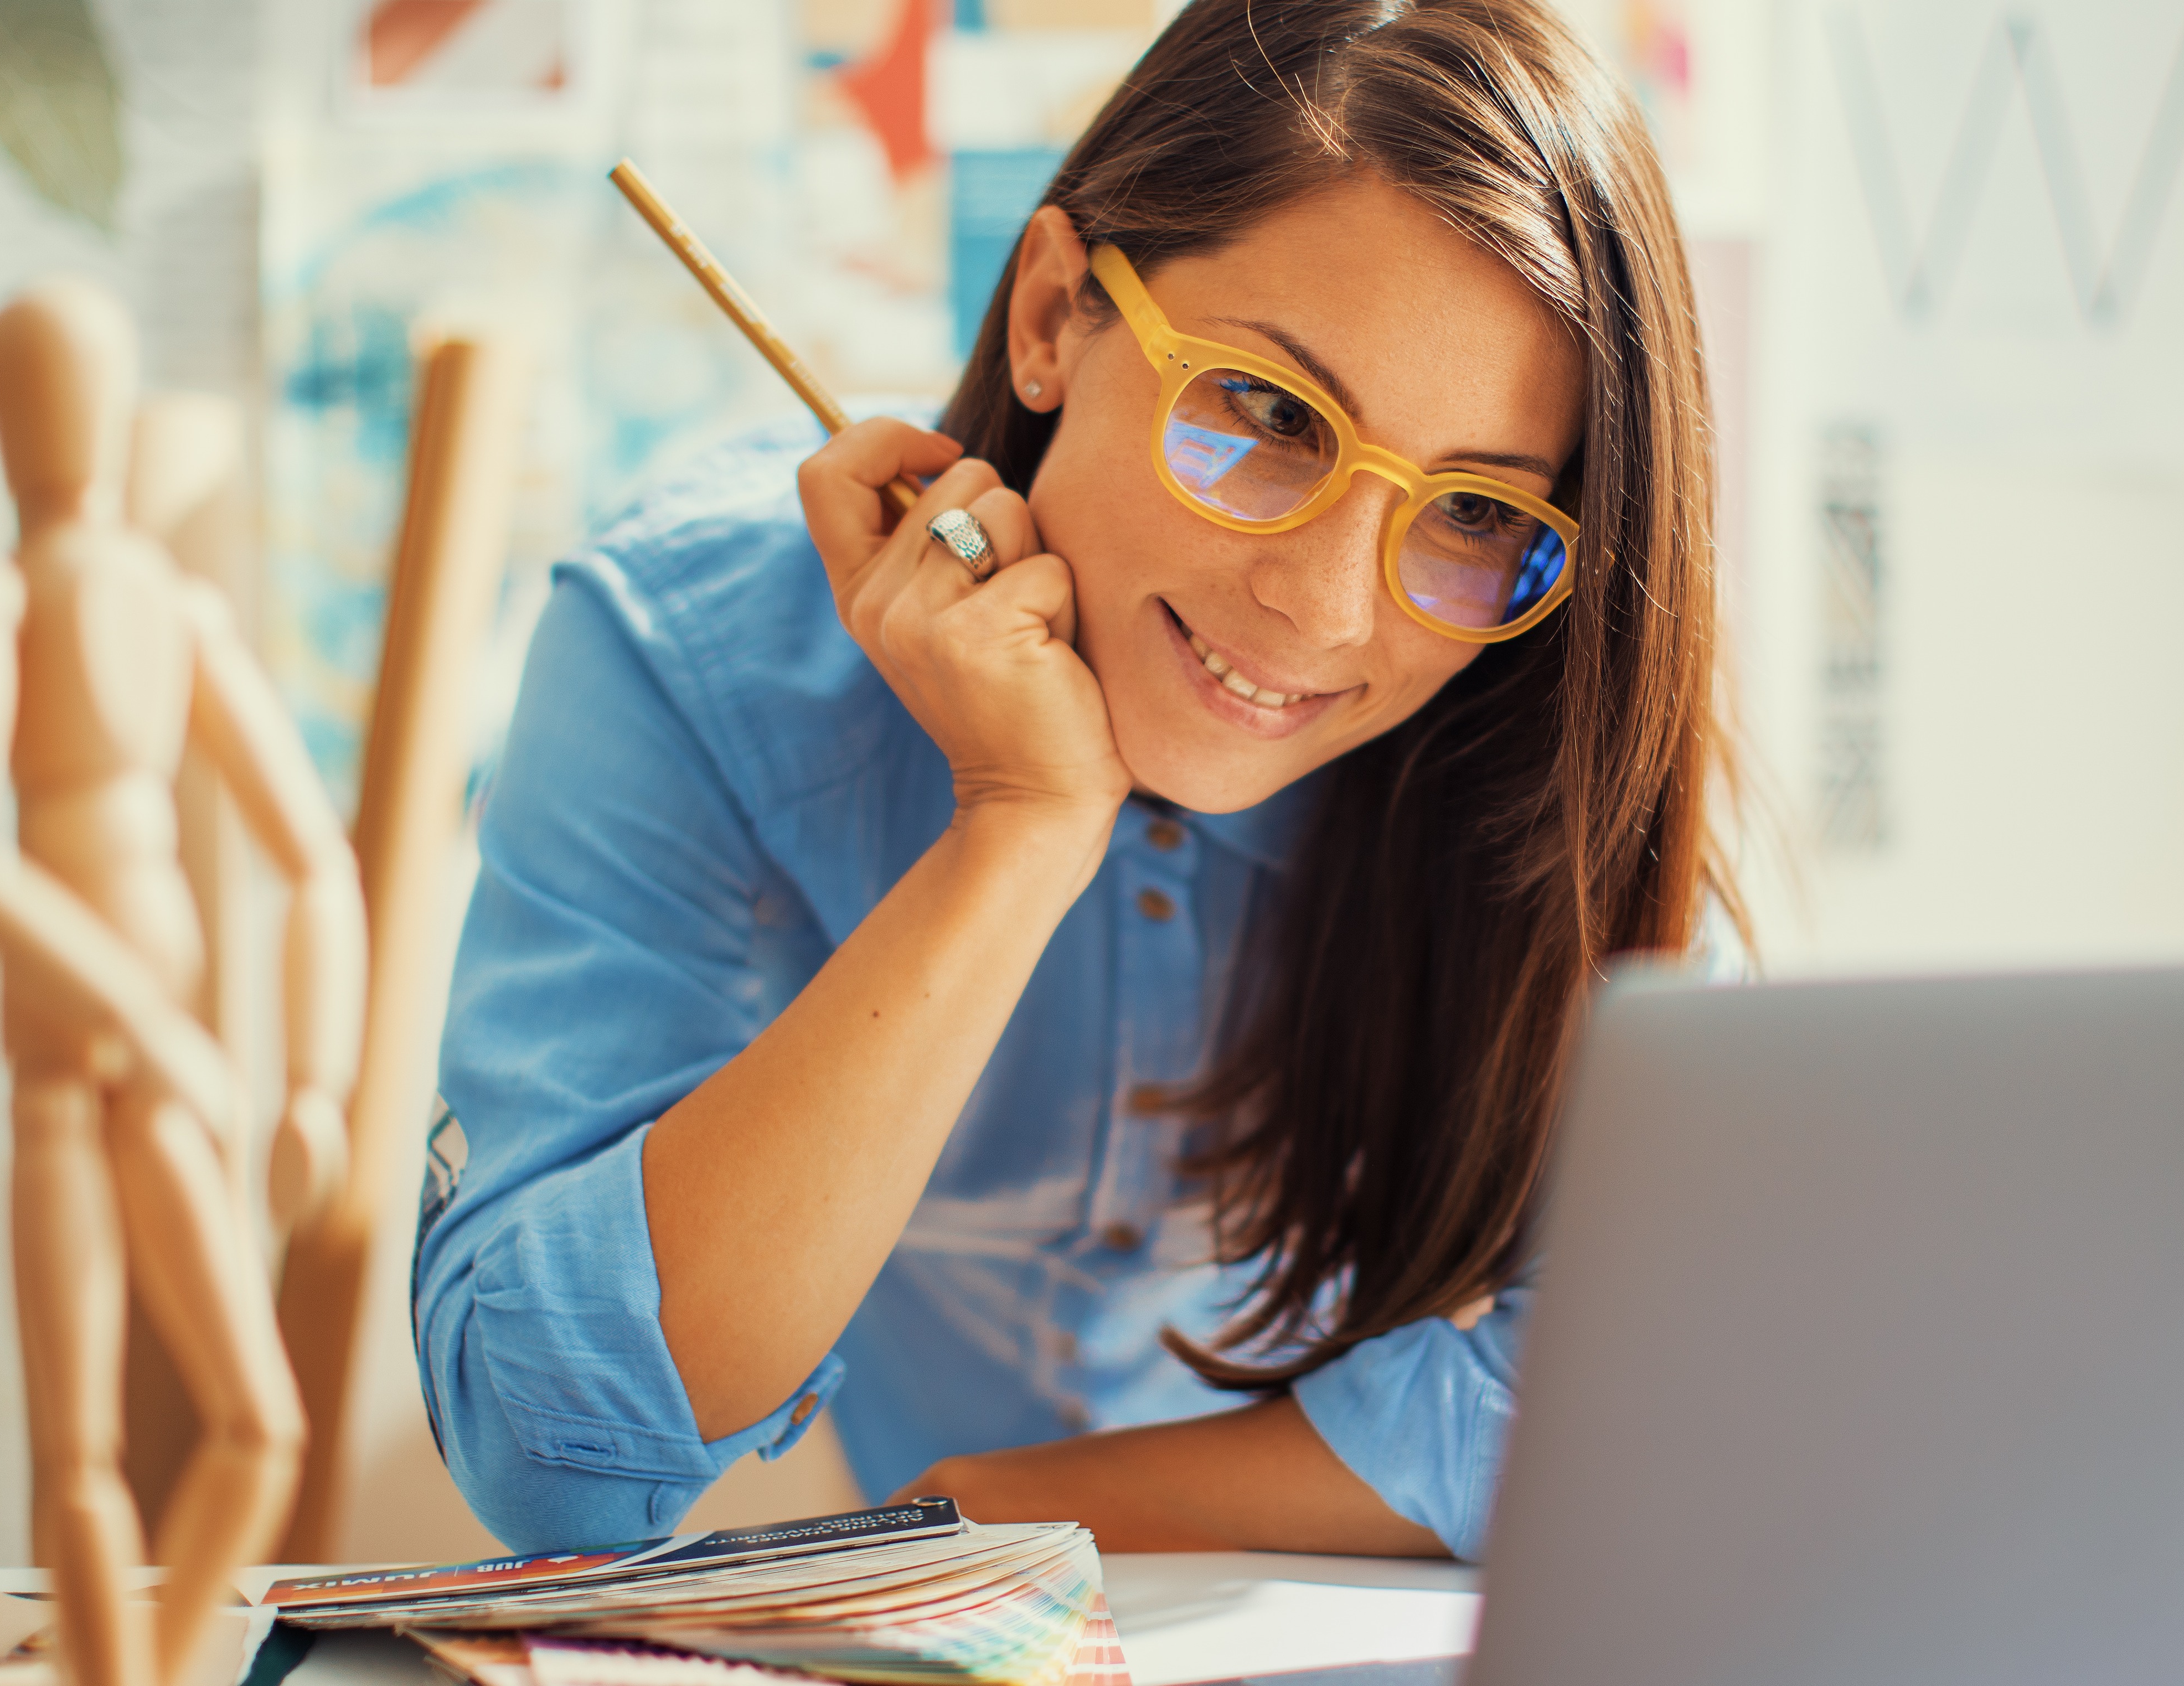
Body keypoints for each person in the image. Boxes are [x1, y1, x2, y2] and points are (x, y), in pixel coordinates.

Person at [410, 0, 1727, 1561]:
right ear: (1050, 315)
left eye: (1470, 514)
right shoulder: (685, 658)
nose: (1325, 606)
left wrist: (1011, 1513)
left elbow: (1667, 1391)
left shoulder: (1551, 721)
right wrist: (1019, 831)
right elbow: (549, 1445)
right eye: (1269, 413)